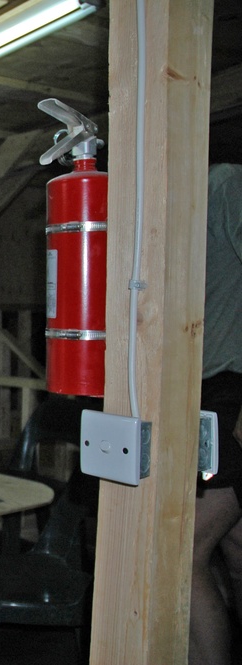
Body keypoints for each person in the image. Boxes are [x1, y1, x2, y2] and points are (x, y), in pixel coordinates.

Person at [189, 163, 242, 665]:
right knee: (234, 550)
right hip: (203, 393)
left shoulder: (223, 184)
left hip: (228, 393)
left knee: (185, 556)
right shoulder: (176, 209)